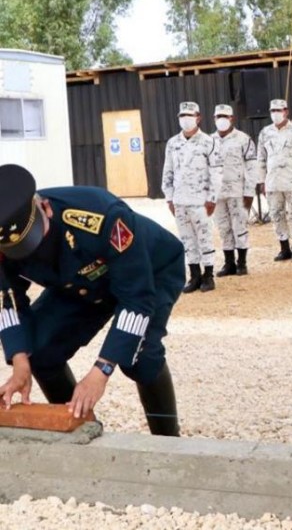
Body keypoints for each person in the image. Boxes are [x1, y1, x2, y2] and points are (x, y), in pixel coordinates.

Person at [0, 164, 183, 436]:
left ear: (44, 207)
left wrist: (101, 370)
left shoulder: (101, 214)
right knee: (41, 351)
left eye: (35, 240)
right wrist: (20, 359)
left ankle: (169, 443)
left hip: (149, 271)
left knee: (140, 356)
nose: (32, 251)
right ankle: (80, 431)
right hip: (79, 283)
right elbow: (8, 298)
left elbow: (136, 299)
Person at [162, 101, 221, 293]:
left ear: (198, 117)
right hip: (180, 201)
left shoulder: (209, 142)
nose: (186, 119)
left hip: (200, 201)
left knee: (204, 238)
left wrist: (212, 198)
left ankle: (208, 275)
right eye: (182, 116)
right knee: (187, 240)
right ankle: (194, 275)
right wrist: (169, 198)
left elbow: (216, 172)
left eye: (189, 115)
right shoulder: (173, 143)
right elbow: (168, 172)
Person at [211, 104, 258, 277]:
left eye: (225, 116)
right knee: (223, 228)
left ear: (232, 119)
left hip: (238, 192)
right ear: (214, 119)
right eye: (218, 116)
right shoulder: (209, 141)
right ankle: (229, 263)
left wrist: (249, 192)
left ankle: (242, 263)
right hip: (218, 194)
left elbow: (252, 167)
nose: (221, 119)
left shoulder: (243, 139)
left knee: (239, 226)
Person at [257, 99, 292, 262]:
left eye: (279, 110)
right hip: (272, 182)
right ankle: (284, 248)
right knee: (276, 214)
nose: (275, 114)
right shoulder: (265, 132)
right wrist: (262, 181)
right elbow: (261, 159)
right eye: (273, 111)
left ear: (286, 111)